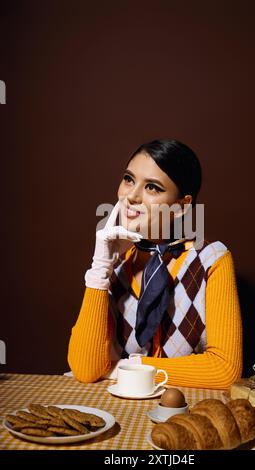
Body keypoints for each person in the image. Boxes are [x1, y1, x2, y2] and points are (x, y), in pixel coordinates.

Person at [68, 139, 242, 389]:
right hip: (122, 409)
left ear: (182, 207)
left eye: (152, 187)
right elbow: (86, 369)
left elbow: (225, 370)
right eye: (129, 179)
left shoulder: (212, 259)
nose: (132, 196)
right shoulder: (115, 265)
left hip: (185, 413)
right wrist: (100, 268)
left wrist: (128, 368)